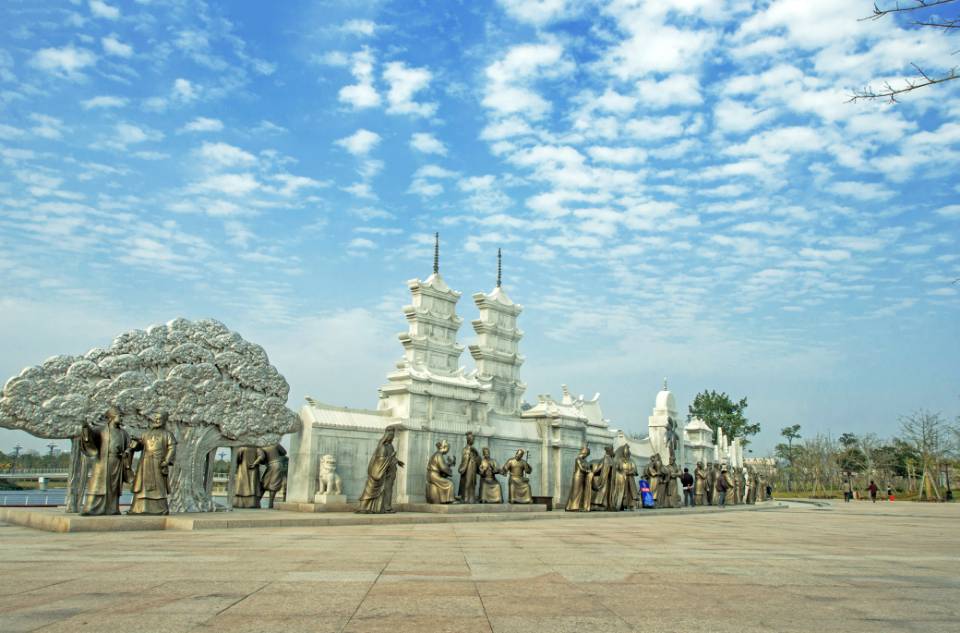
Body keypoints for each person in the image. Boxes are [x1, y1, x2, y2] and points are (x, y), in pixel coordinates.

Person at [80, 407, 132, 516]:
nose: (121, 418)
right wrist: (85, 427)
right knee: (97, 485)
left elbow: (129, 446)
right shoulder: (100, 430)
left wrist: (126, 452)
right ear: (112, 417)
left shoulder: (124, 433)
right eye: (119, 416)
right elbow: (90, 438)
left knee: (113, 488)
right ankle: (91, 508)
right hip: (103, 462)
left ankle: (112, 509)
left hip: (117, 462)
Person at [128, 412, 176, 515]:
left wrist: (166, 461)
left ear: (164, 421)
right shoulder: (146, 433)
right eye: (155, 419)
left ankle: (160, 509)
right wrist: (135, 444)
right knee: (142, 487)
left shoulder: (168, 434)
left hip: (158, 462)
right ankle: (139, 508)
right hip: (145, 463)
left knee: (159, 486)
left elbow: (172, 447)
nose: (156, 421)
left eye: (159, 419)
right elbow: (140, 446)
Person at [357, 427, 404, 514]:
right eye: (391, 436)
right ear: (387, 436)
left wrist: (397, 461)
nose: (392, 438)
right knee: (372, 491)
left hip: (388, 474)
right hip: (380, 473)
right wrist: (391, 457)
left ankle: (386, 508)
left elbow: (390, 457)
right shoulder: (382, 447)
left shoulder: (390, 446)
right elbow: (381, 461)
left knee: (388, 490)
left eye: (393, 436)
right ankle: (366, 508)